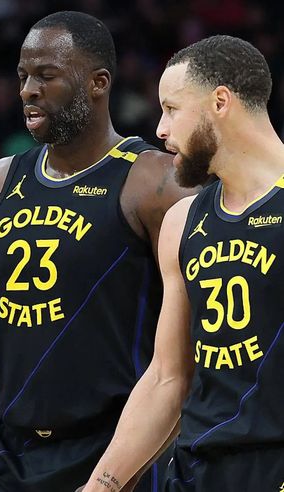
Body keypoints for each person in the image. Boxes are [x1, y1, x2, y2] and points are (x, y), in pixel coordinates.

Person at [0, 11, 198, 492]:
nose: (28, 90)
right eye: (23, 76)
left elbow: (188, 358)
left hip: (112, 454)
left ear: (98, 83)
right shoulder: (2, 180)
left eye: (46, 75)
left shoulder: (155, 182)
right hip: (10, 457)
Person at [82, 35, 284, 492]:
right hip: (194, 471)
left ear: (220, 102)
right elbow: (166, 378)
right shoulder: (182, 221)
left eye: (172, 109)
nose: (160, 129)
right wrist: (102, 485)